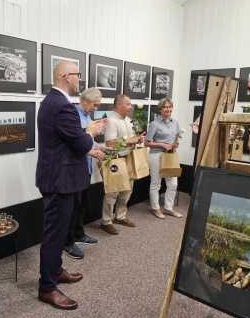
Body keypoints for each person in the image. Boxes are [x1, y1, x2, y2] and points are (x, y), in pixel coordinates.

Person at [36, 61, 105, 310]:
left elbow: (68, 139)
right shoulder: (61, 105)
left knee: (59, 231)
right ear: (66, 76)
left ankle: (55, 271)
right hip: (59, 181)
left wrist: (85, 134)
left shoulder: (54, 102)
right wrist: (91, 133)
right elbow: (77, 141)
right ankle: (47, 287)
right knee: (54, 236)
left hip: (60, 178)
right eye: (78, 75)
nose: (80, 80)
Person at [64, 87, 105, 259]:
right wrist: (91, 151)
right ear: (85, 101)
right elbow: (72, 144)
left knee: (81, 205)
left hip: (86, 167)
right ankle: (67, 243)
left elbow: (88, 141)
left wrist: (101, 147)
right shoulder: (72, 116)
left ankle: (79, 234)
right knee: (71, 208)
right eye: (95, 105)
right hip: (74, 169)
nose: (96, 108)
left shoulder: (87, 116)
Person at [100, 95, 142, 235]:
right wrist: (129, 140)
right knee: (113, 191)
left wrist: (138, 139)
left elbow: (132, 139)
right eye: (128, 104)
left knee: (127, 190)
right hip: (115, 159)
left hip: (128, 158)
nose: (131, 107)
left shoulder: (129, 121)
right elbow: (110, 143)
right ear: (118, 105)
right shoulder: (111, 121)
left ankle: (120, 216)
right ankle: (106, 221)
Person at [145, 98, 183, 219]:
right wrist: (162, 144)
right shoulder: (154, 124)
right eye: (165, 107)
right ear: (160, 109)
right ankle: (155, 208)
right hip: (156, 155)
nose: (168, 109)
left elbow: (176, 138)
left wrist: (175, 144)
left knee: (173, 184)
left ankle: (168, 208)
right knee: (156, 183)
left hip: (170, 155)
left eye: (170, 107)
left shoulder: (175, 122)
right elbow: (147, 143)